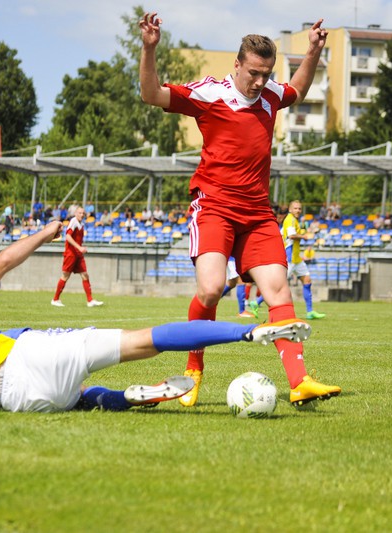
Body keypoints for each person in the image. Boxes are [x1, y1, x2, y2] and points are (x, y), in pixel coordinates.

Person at [0, 220, 312, 412]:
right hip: (35, 353)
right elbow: (0, 263)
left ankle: (113, 400)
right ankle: (249, 329)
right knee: (147, 339)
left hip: (27, 401)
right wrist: (43, 234)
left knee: (79, 397)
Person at [139, 12, 340, 407]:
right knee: (211, 288)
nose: (261, 81)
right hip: (213, 207)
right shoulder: (209, 94)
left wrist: (313, 52)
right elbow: (151, 94)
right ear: (237, 64)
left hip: (258, 215)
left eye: (267, 73)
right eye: (254, 72)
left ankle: (299, 382)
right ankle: (192, 372)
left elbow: (296, 89)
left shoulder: (270, 97)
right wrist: (149, 49)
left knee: (279, 290)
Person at [51, 206, 104, 308]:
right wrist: (79, 247)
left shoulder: (81, 224)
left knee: (85, 275)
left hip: (78, 254)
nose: (82, 215)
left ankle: (90, 301)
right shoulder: (73, 221)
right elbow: (68, 236)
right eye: (80, 213)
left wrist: (80, 249)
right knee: (65, 276)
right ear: (75, 213)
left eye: (83, 213)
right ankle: (55, 299)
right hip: (71, 253)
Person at [282, 200, 325, 320]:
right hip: (289, 258)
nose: (298, 210)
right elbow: (291, 236)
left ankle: (310, 312)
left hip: (297, 258)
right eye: (295, 208)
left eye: (299, 208)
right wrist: (304, 236)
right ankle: (257, 302)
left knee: (307, 280)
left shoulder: (294, 220)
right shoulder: (290, 219)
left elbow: (297, 233)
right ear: (290, 210)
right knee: (278, 285)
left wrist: (307, 233)